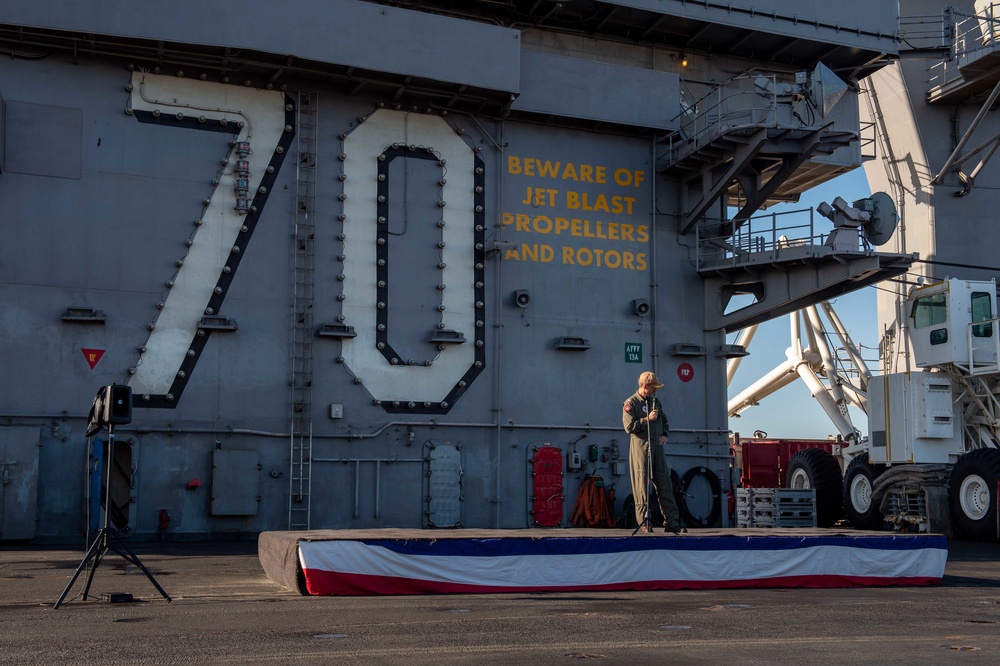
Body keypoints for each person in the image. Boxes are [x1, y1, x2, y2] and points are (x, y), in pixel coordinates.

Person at [622, 370, 682, 534]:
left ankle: (671, 521)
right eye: (653, 387)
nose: (655, 390)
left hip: (657, 448)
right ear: (645, 386)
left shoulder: (655, 402)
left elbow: (664, 421)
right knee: (641, 485)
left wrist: (665, 434)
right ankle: (643, 522)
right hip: (641, 447)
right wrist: (647, 419)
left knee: (664, 482)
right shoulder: (631, 403)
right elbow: (629, 427)